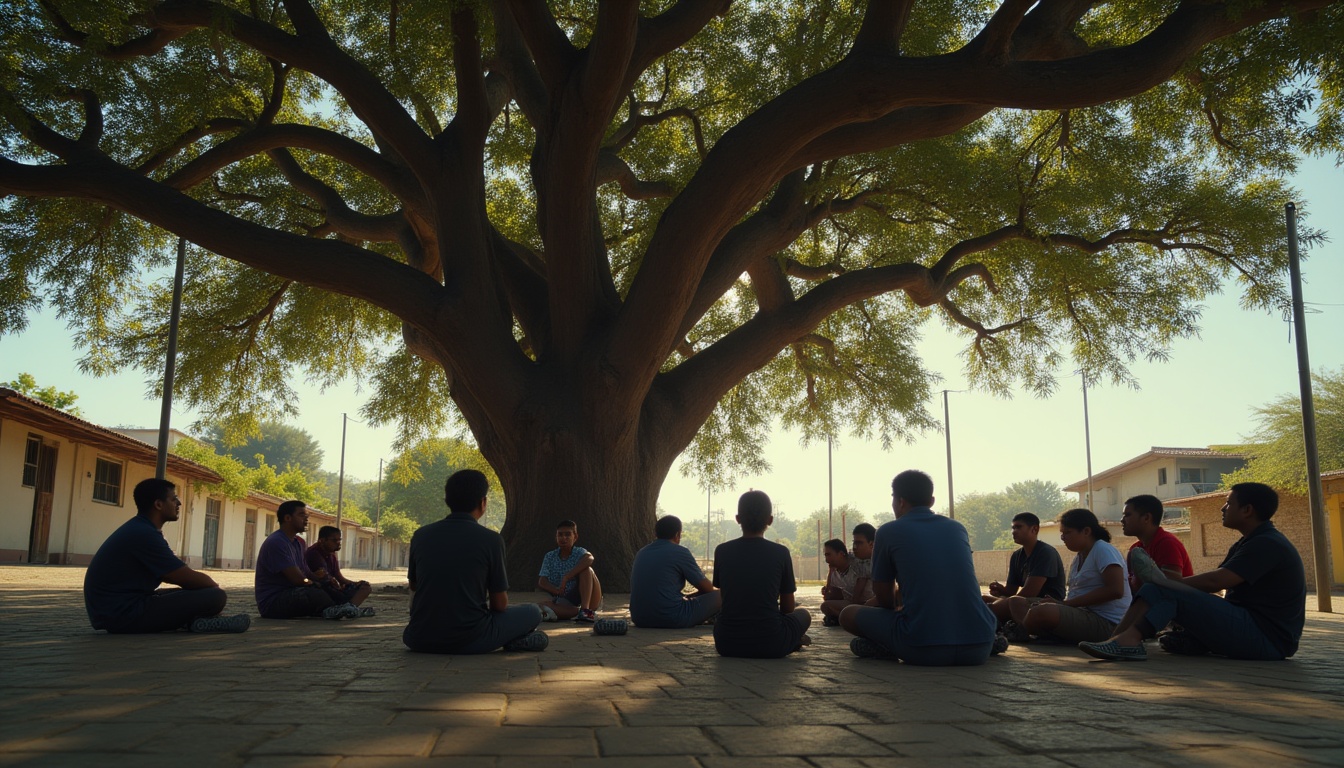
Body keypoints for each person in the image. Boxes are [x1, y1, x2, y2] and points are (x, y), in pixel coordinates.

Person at [1080, 482, 1305, 661]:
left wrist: (1164, 583)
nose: (1222, 508)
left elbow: (1218, 581)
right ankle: (1117, 640)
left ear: (1247, 510)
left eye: (1228, 503)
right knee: (1161, 587)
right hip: (1250, 628)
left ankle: (1127, 642)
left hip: (1267, 639)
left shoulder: (1267, 543)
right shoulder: (1250, 541)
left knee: (1164, 587)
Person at [841, 470, 998, 665]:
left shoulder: (888, 531)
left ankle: (885, 645)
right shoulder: (957, 528)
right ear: (931, 501)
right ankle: (991, 641)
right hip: (980, 646)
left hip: (922, 647)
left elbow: (883, 597)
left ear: (899, 501)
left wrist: (897, 611)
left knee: (847, 614)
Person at [403, 469, 547, 653]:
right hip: (470, 638)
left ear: (447, 501)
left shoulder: (420, 536)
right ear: (483, 502)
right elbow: (500, 605)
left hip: (418, 638)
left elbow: (414, 586)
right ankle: (512, 639)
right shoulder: (491, 540)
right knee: (532, 612)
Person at [83, 478, 249, 634]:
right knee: (214, 596)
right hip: (122, 614)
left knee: (185, 594)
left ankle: (196, 622)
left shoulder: (141, 528)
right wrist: (213, 586)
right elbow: (183, 576)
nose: (179, 503)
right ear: (158, 504)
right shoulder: (143, 534)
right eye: (173, 499)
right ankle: (193, 622)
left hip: (116, 609)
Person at [1006, 508, 1131, 644]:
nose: (1063, 538)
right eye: (1062, 534)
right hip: (1080, 613)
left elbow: (1116, 590)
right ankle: (1043, 633)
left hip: (1106, 623)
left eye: (1067, 533)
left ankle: (1023, 631)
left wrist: (1064, 604)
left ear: (1086, 531)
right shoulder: (1079, 556)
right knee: (1016, 602)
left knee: (1043, 611)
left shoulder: (1103, 550)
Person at [712, 490, 811, 658]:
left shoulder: (722, 551)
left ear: (738, 519)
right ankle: (792, 639)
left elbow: (724, 597)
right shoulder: (781, 552)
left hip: (727, 642)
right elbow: (787, 607)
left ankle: (790, 639)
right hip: (771, 642)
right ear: (770, 520)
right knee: (803, 614)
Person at [255, 500, 361, 620]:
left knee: (334, 588)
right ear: (287, 518)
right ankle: (336, 608)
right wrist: (314, 583)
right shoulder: (277, 542)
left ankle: (343, 607)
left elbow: (306, 573)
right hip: (274, 601)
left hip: (295, 591)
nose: (306, 519)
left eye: (307, 516)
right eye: (301, 515)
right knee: (313, 592)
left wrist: (323, 579)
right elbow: (299, 579)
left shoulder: (299, 543)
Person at [629, 515, 720, 628]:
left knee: (686, 598)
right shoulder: (680, 552)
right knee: (723, 594)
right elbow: (707, 588)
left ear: (656, 534)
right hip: (670, 616)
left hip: (640, 618)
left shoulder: (642, 552)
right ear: (677, 534)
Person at [984, 513, 1066, 635]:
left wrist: (1001, 603)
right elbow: (1011, 591)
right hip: (1023, 602)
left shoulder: (1046, 553)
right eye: (1013, 528)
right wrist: (1001, 590)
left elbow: (1029, 593)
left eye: (1018, 527)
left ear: (1034, 529)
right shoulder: (1017, 556)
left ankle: (1025, 631)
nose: (1013, 531)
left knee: (1010, 603)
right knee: (982, 599)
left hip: (1045, 603)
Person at [1120, 494, 1193, 594]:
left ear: (1146, 518)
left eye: (1127, 515)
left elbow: (1172, 588)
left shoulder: (1167, 543)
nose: (1122, 520)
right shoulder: (1135, 549)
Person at [536, 520, 603, 622]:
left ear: (575, 537)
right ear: (556, 537)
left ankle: (585, 610)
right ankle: (575, 612)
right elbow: (542, 581)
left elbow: (590, 558)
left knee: (586, 569)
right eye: (560, 535)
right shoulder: (549, 556)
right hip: (566, 600)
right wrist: (556, 590)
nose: (563, 538)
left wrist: (567, 576)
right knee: (540, 606)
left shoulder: (579, 552)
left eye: (567, 535)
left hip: (589, 596)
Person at [305, 525, 374, 613]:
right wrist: (335, 584)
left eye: (339, 540)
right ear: (322, 540)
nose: (338, 542)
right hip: (322, 589)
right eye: (334, 540)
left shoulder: (332, 554)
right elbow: (324, 578)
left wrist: (356, 584)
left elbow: (339, 577)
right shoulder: (314, 553)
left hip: (334, 589)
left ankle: (349, 608)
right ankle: (345, 608)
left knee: (365, 587)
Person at [819, 536, 873, 626]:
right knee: (825, 606)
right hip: (851, 604)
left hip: (868, 603)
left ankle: (850, 619)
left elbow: (857, 598)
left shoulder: (857, 564)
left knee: (851, 610)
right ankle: (847, 618)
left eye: (829, 555)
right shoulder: (835, 570)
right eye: (825, 555)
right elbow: (828, 595)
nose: (826, 559)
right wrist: (830, 575)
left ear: (841, 554)